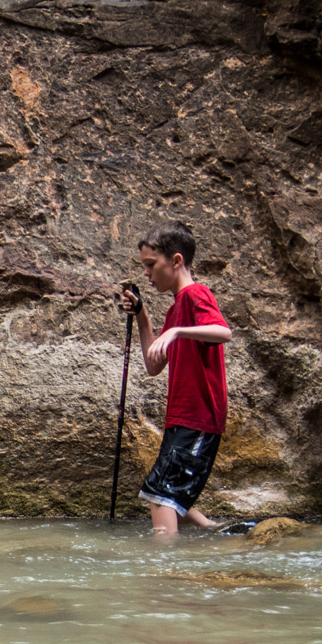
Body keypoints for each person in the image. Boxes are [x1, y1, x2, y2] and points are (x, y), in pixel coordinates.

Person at [114, 221, 231, 536]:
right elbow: (154, 364)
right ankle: (217, 530)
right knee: (163, 488)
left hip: (199, 416)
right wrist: (141, 314)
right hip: (182, 416)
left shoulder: (196, 295)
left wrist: (179, 331)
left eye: (151, 265)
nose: (146, 274)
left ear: (176, 261)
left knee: (160, 495)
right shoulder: (174, 310)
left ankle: (164, 571)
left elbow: (223, 332)